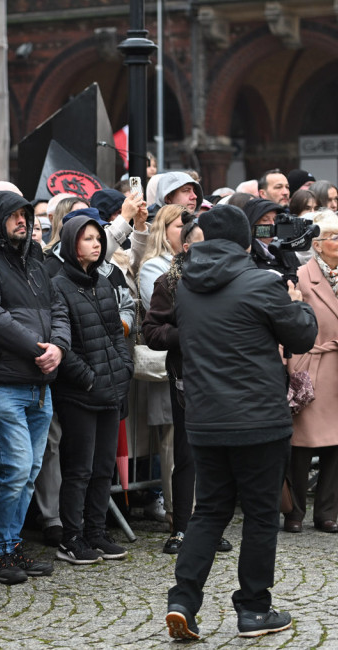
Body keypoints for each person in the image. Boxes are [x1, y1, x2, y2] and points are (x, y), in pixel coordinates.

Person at [164, 205, 317, 642]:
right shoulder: (262, 283)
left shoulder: (186, 289)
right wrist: (297, 303)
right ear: (246, 242)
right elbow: (302, 336)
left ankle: (183, 601)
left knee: (208, 513)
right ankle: (253, 610)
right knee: (261, 515)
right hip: (258, 421)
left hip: (206, 419)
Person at [0, 189, 71, 585]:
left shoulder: (35, 262)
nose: (23, 221)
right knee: (16, 468)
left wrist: (59, 346)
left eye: (25, 214)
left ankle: (9, 545)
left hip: (41, 383)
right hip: (4, 383)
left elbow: (59, 310)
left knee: (30, 470)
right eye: (14, 216)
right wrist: (38, 348)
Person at [49, 215, 132, 565]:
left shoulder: (101, 282)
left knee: (102, 468)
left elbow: (116, 331)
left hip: (111, 388)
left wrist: (124, 367)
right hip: (80, 392)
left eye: (99, 238)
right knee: (78, 468)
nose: (96, 244)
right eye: (87, 239)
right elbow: (61, 342)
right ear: (71, 244)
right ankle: (72, 537)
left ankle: (96, 531)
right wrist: (88, 378)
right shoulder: (57, 285)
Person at [283, 213, 338, 535]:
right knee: (302, 443)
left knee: (336, 445)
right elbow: (288, 323)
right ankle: (294, 512)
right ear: (317, 245)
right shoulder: (300, 277)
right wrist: (286, 364)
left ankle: (327, 513)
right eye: (335, 237)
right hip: (309, 365)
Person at [142, 217, 205, 555]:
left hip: (226, 377)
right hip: (187, 378)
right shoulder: (169, 282)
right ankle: (181, 527)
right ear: (185, 247)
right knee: (186, 454)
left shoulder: (231, 279)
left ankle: (211, 526)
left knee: (219, 458)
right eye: (199, 243)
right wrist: (186, 336)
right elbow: (151, 332)